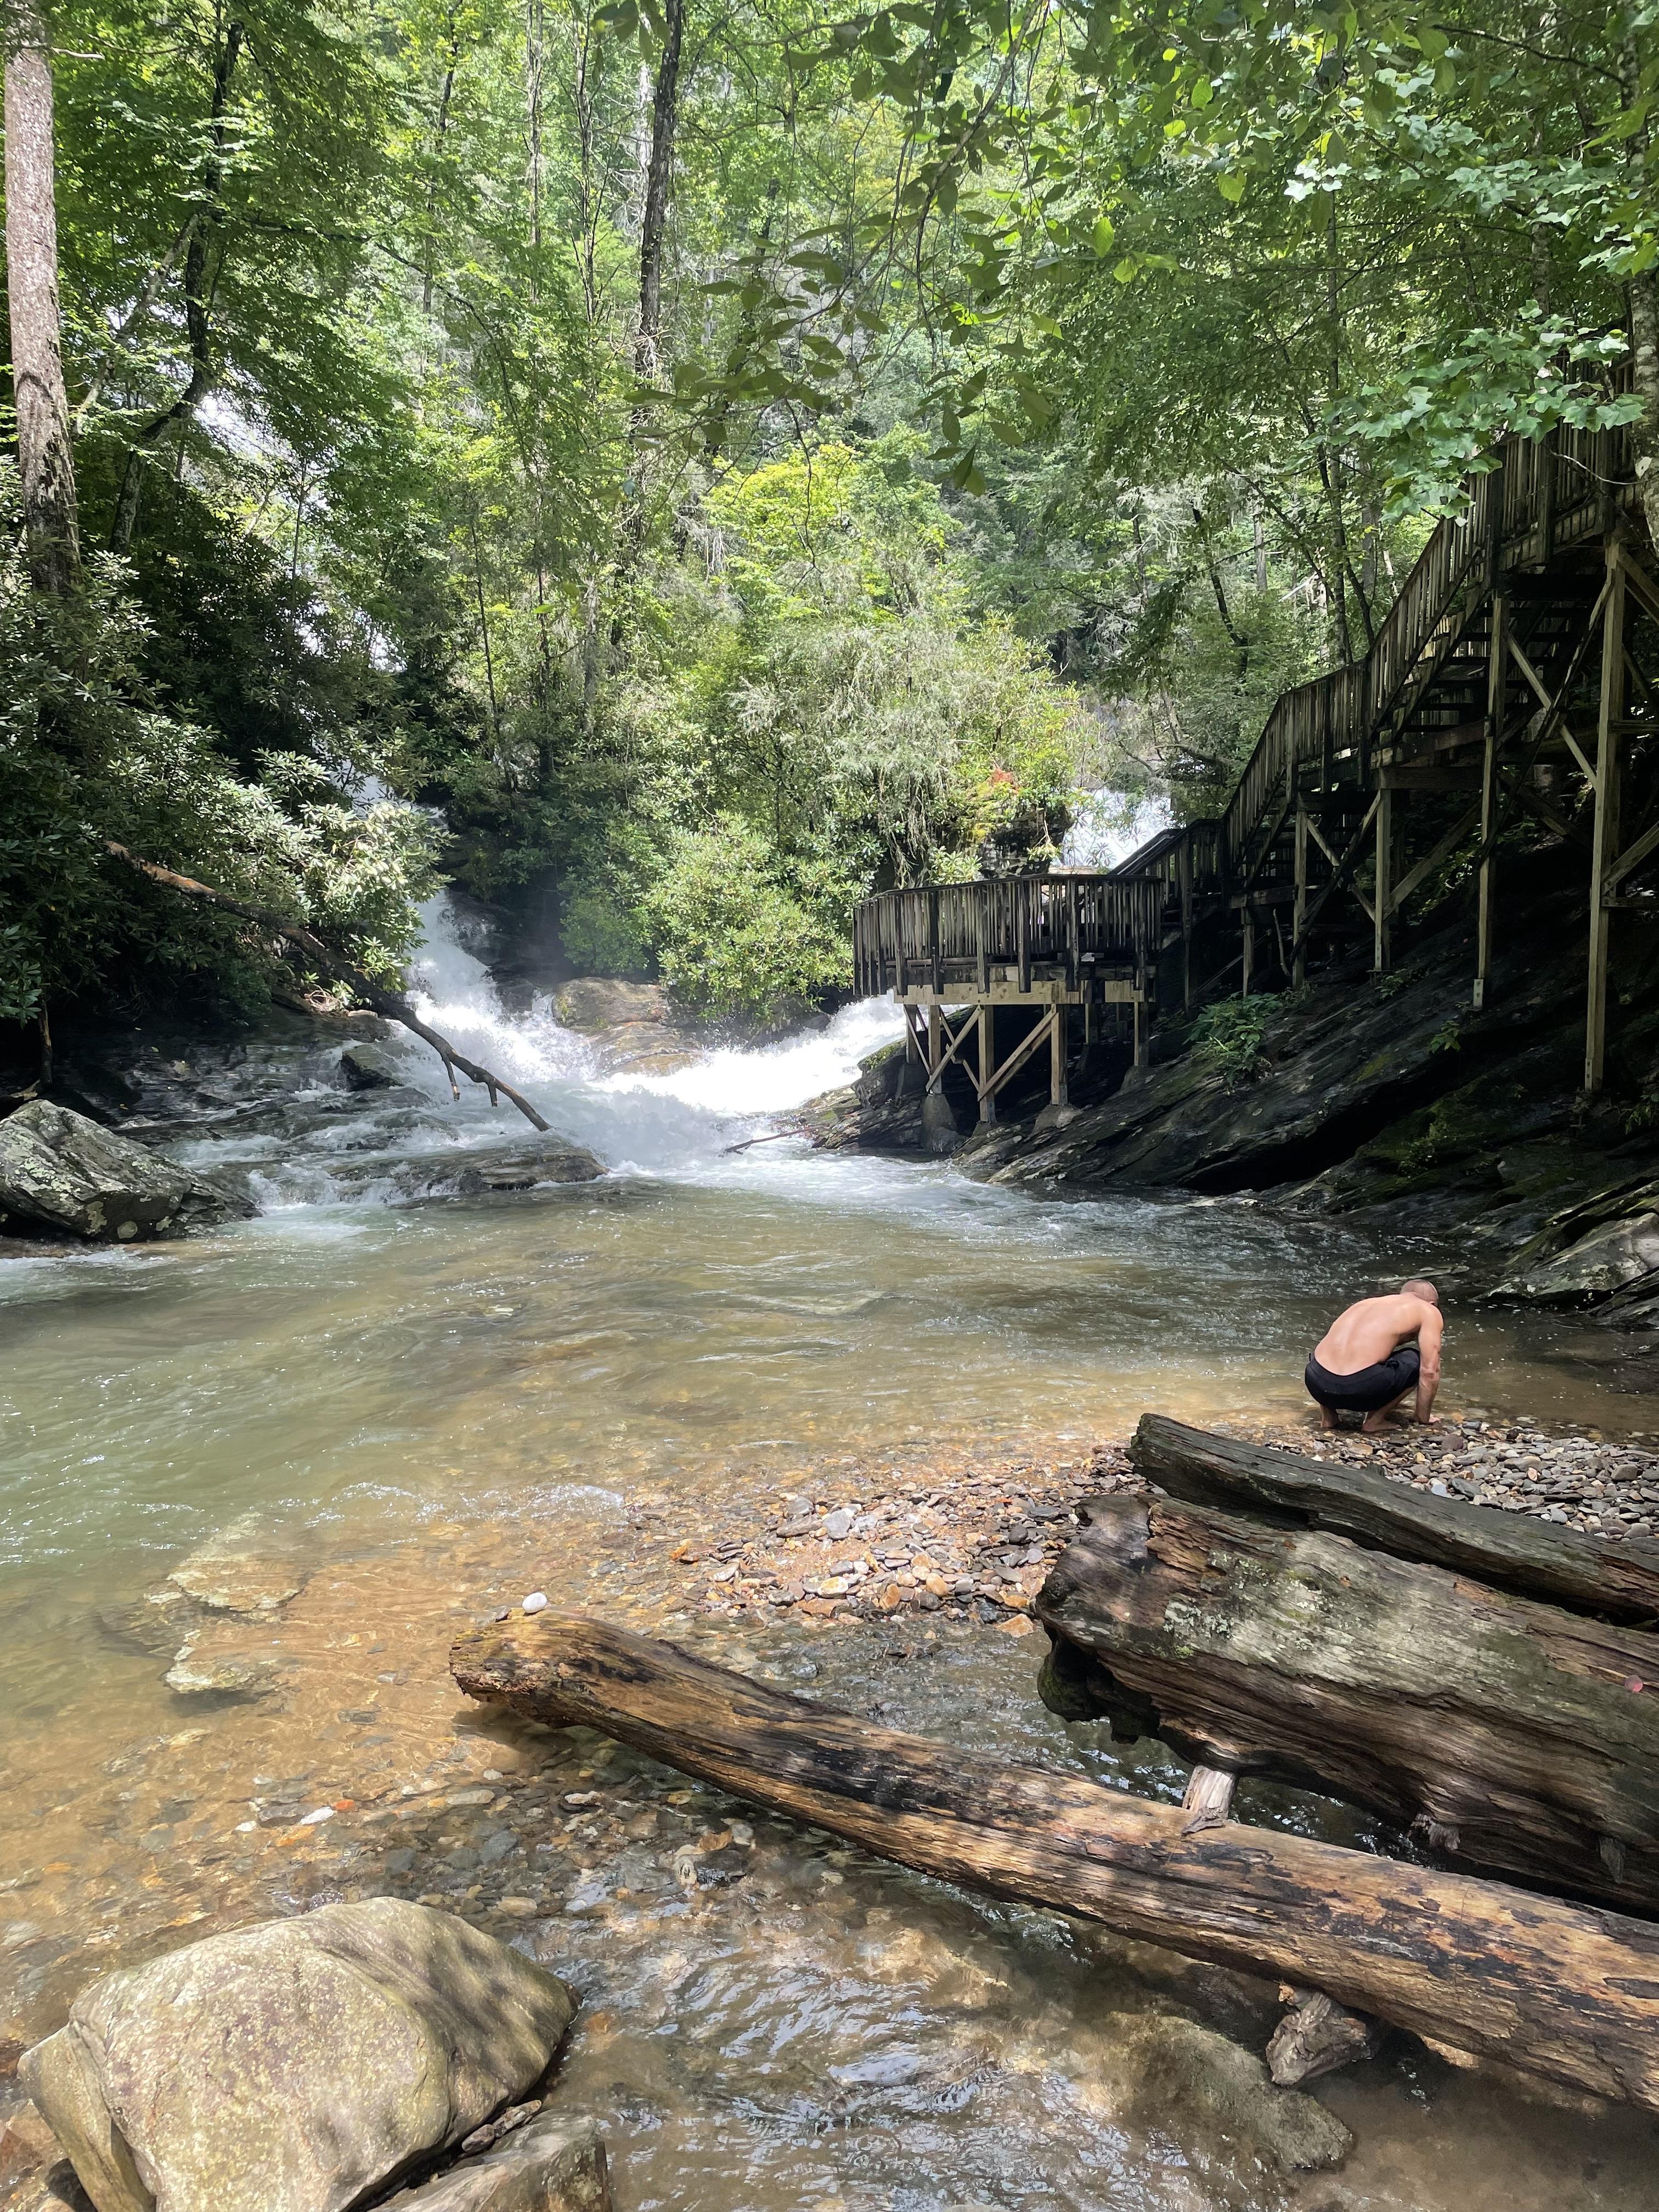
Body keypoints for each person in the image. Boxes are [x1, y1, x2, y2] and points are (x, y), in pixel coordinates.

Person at [1305, 1280, 1442, 1434]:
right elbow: (1430, 1371)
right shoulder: (1428, 1310)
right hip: (1359, 1389)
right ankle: (1374, 1421)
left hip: (1316, 1383)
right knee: (1414, 1359)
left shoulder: (1366, 1304)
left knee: (1327, 1353)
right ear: (1432, 1304)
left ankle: (1329, 1418)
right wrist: (1423, 1416)